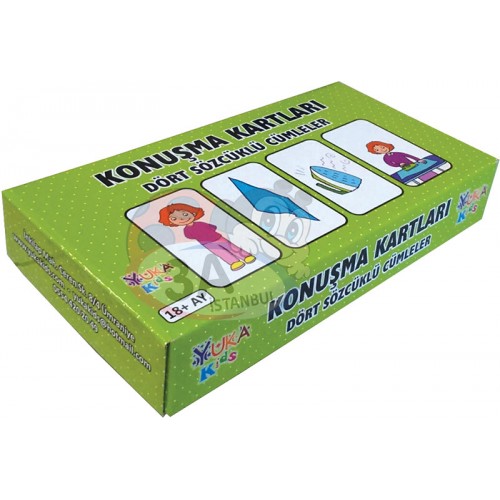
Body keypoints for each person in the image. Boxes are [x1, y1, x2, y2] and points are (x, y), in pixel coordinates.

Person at [159, 203, 255, 271]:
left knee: (231, 247)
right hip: (207, 243)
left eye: (185, 214)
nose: (182, 219)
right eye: (174, 218)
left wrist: (209, 233)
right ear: (171, 222)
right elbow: (189, 236)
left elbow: (212, 227)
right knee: (221, 252)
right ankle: (234, 262)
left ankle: (245, 256)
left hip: (217, 238)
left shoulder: (200, 224)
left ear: (193, 213)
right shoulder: (186, 230)